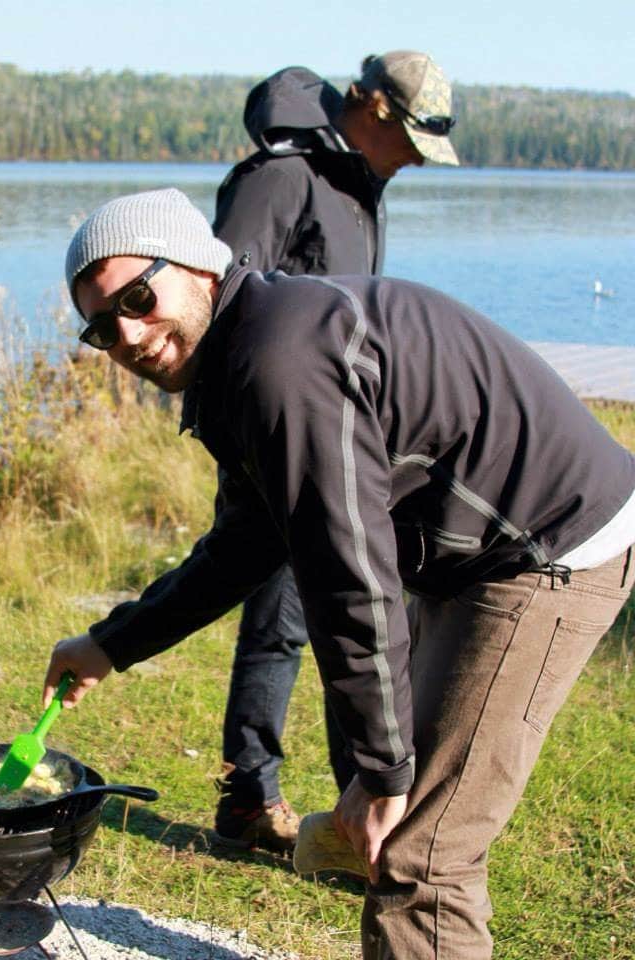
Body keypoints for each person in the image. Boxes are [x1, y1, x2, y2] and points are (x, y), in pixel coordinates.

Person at [43, 187, 635, 959]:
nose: (127, 333)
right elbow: (244, 546)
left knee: (421, 855)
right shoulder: (241, 355)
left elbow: (348, 576)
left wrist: (383, 770)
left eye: (139, 297)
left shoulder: (278, 361)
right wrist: (112, 642)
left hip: (547, 545)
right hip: (476, 554)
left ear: (199, 266)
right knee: (406, 806)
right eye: (101, 325)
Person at [211, 51, 459, 852]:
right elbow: (221, 304)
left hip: (341, 440)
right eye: (417, 138)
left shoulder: (357, 186)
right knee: (288, 619)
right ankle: (255, 801)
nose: (421, 158)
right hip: (277, 441)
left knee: (333, 612)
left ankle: (353, 800)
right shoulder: (282, 179)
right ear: (377, 109)